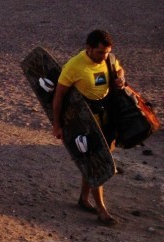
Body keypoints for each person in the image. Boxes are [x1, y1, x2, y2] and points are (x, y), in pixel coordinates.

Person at [52, 30, 126, 226]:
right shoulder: (74, 66)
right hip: (84, 122)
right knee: (96, 162)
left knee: (99, 159)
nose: (104, 57)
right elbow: (58, 97)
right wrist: (57, 125)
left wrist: (120, 77)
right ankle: (101, 210)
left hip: (107, 118)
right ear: (88, 48)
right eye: (100, 52)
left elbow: (119, 69)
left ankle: (84, 199)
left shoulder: (108, 59)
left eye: (107, 52)